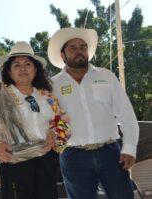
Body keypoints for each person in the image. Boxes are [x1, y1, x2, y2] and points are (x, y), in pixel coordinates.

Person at [48, 27, 139, 199]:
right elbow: (46, 120)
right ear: (62, 55)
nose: (79, 51)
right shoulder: (52, 85)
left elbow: (126, 115)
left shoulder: (106, 76)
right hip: (73, 156)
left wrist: (130, 148)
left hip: (111, 153)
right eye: (72, 48)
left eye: (82, 47)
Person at [0, 41, 70, 199]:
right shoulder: (0, 97)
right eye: (17, 65)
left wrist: (54, 137)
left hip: (45, 163)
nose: (23, 68)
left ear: (35, 69)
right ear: (9, 72)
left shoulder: (47, 96)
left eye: (27, 64)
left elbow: (63, 122)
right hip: (14, 163)